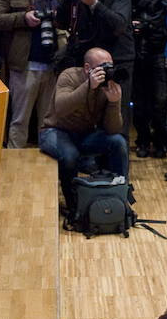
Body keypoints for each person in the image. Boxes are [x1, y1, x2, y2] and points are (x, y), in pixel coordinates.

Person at [0, 0, 64, 149]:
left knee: (48, 123)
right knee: (20, 121)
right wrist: (22, 18)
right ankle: (14, 169)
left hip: (53, 65)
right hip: (24, 66)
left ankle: (46, 170)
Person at [39, 48, 127, 212]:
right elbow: (61, 108)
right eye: (103, 66)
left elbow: (113, 129)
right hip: (55, 131)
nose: (108, 71)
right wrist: (88, 86)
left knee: (118, 142)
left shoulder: (107, 85)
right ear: (88, 68)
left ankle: (120, 199)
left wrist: (114, 102)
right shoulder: (70, 76)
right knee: (70, 156)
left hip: (85, 134)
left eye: (110, 66)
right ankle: (75, 206)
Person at [130, 0, 167, 157]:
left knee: (160, 99)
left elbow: (164, 19)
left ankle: (160, 140)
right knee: (139, 100)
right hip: (136, 51)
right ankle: (143, 140)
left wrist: (147, 25)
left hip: (156, 49)